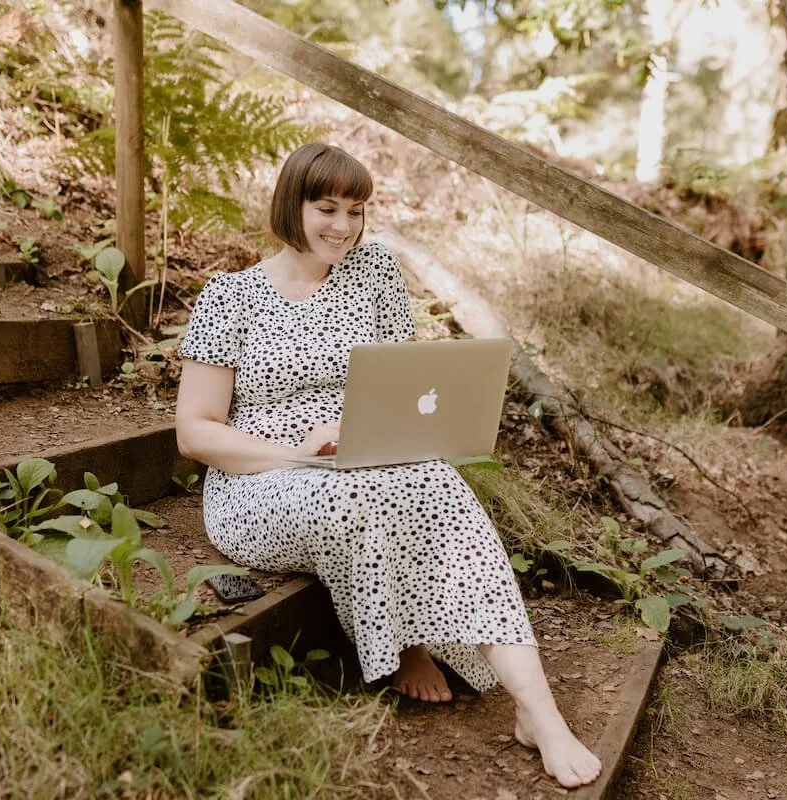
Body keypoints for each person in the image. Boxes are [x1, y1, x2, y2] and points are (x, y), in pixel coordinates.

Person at [174, 142, 602, 789]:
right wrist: (301, 454)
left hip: (366, 455)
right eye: (327, 208)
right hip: (259, 482)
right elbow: (195, 433)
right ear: (292, 204)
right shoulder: (230, 297)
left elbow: (405, 385)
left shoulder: (373, 272)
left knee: (442, 485)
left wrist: (373, 435)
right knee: (350, 502)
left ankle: (537, 711)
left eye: (356, 210)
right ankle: (407, 644)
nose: (343, 226)